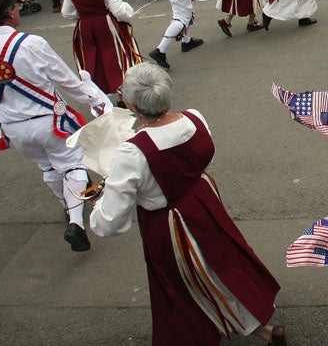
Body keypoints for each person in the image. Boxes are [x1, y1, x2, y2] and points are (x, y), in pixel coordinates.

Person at [89, 62, 287, 346]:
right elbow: (205, 158)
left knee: (187, 282)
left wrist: (98, 206)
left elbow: (110, 222)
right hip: (202, 200)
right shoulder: (194, 118)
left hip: (168, 223)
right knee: (221, 260)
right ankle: (255, 319)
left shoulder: (131, 152)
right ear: (167, 96)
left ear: (131, 104)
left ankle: (251, 330)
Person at [0, 0, 111, 252]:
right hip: (48, 121)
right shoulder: (32, 44)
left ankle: (67, 206)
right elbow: (64, 78)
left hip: (13, 127)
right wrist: (93, 99)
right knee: (72, 165)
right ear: (10, 12)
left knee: (48, 167)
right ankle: (76, 222)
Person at [61, 0, 142, 101]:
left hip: (85, 26)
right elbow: (119, 10)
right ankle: (123, 97)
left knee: (93, 58)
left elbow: (67, 12)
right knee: (116, 56)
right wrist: (128, 12)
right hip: (107, 25)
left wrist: (85, 14)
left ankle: (100, 96)